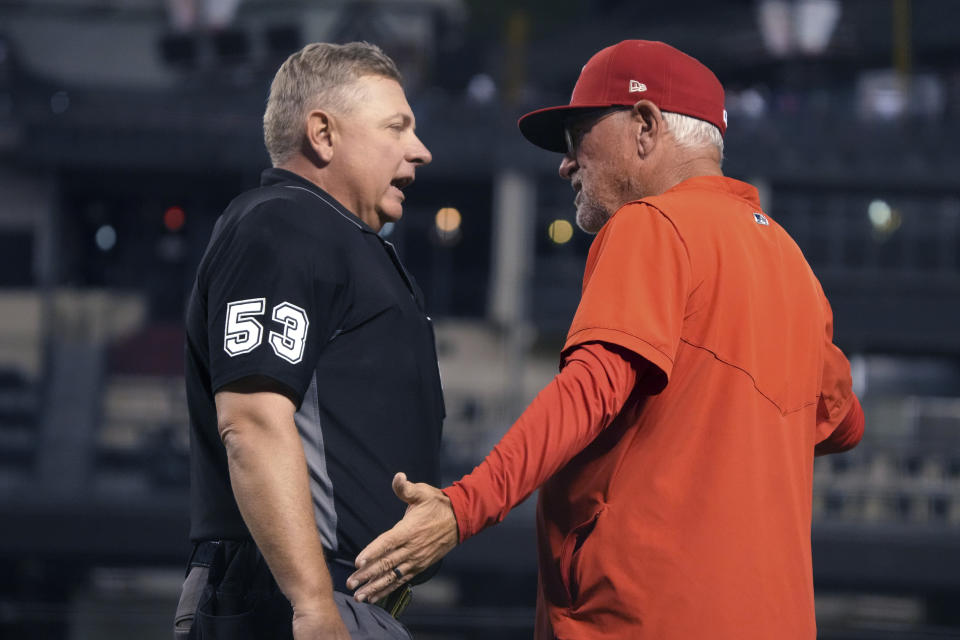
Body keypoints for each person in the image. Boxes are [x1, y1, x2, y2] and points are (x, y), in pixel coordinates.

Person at [347, 40, 865, 639]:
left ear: (644, 127)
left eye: (579, 137)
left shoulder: (653, 223)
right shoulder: (793, 265)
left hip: (648, 618)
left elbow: (589, 391)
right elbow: (842, 422)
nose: (567, 164)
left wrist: (462, 508)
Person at [174, 41, 444, 640]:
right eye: (397, 126)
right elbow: (252, 421)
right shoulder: (286, 223)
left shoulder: (331, 233)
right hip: (292, 596)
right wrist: (313, 607)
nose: (420, 150)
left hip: (328, 597)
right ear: (322, 133)